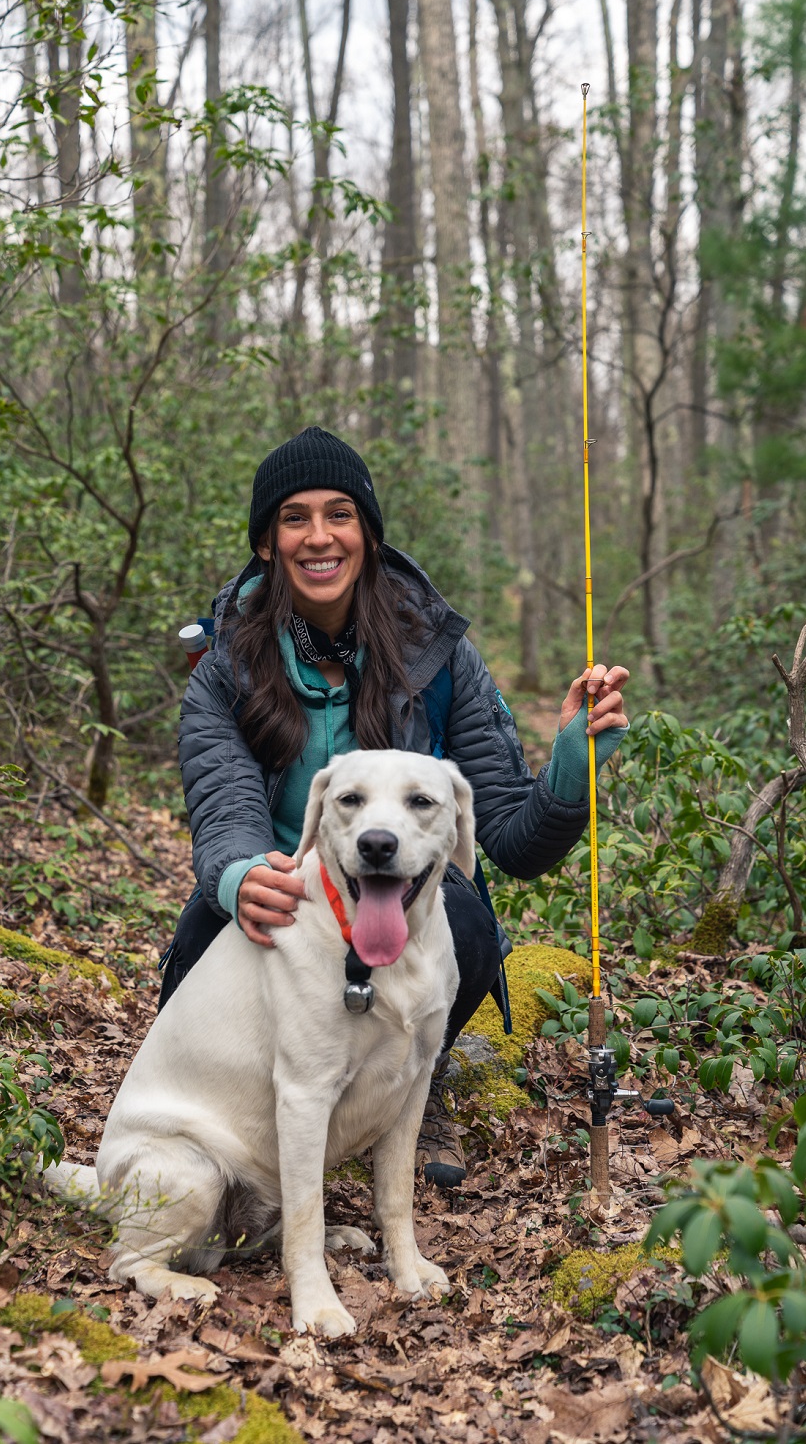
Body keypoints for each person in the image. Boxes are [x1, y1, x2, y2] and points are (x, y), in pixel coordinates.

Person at [161, 426, 629, 1187]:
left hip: (397, 893)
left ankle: (412, 1080)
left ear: (369, 536)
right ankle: (237, 1126)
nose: (320, 536)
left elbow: (510, 837)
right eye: (295, 517)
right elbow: (225, 813)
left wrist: (571, 767)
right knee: (203, 938)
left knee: (467, 918)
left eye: (340, 514)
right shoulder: (225, 670)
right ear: (266, 543)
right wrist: (245, 874)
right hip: (285, 896)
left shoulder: (438, 655)